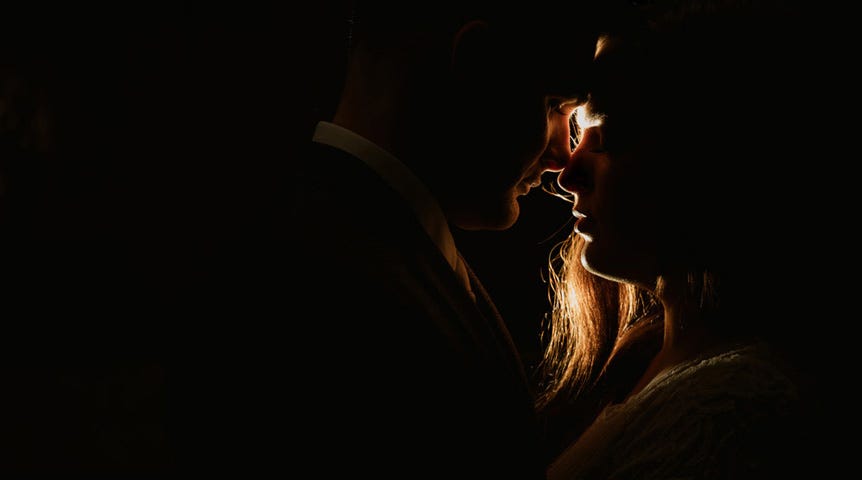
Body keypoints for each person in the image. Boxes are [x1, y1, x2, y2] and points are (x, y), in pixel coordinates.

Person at [284, 0, 612, 478]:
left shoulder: (368, 238)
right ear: (478, 64)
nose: (563, 156)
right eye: (553, 107)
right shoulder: (323, 286)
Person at [534, 0, 844, 478]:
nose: (568, 172)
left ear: (708, 156)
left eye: (610, 136)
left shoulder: (735, 413)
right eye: (579, 134)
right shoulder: (645, 354)